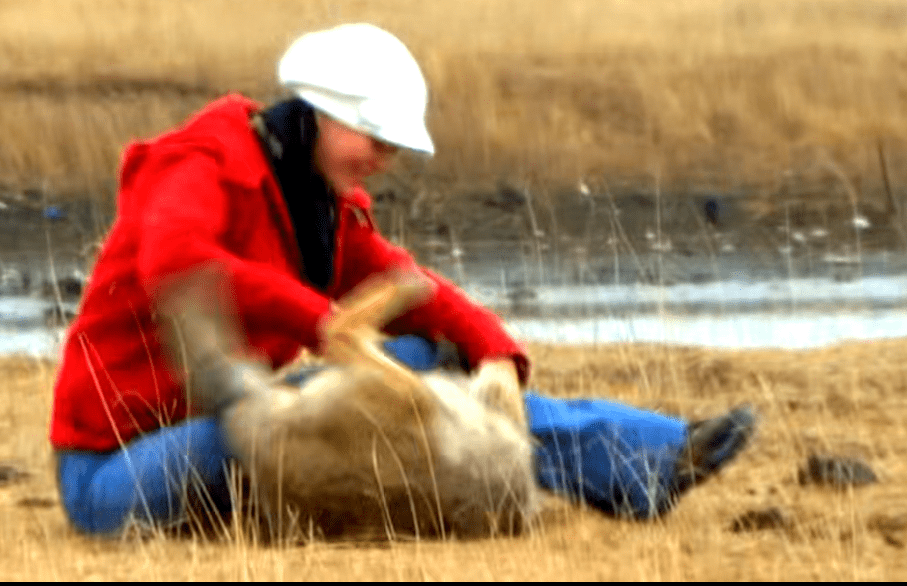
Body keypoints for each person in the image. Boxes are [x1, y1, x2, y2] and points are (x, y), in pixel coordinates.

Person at [49, 23, 754, 537]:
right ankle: (642, 460)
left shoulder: (317, 202)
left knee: (431, 358)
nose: (386, 159)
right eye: (377, 140)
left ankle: (642, 461)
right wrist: (320, 323)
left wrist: (497, 355)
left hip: (229, 432)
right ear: (324, 116)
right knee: (380, 396)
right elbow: (175, 263)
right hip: (114, 475)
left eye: (395, 146)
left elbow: (408, 288)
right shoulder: (200, 163)